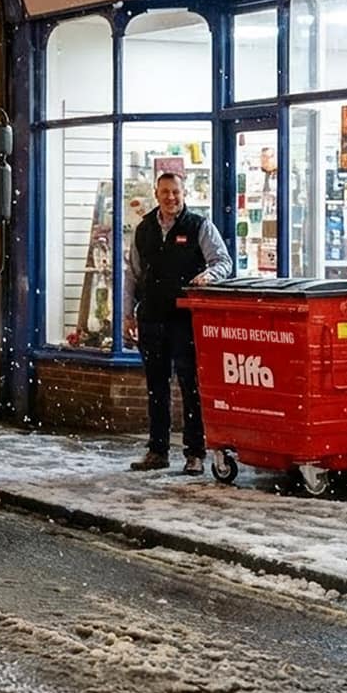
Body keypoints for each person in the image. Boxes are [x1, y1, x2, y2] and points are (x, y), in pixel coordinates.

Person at [124, 171, 232, 474]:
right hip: (151, 318)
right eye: (165, 192)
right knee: (156, 388)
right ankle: (157, 451)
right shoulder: (144, 229)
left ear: (184, 194)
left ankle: (194, 453)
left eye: (176, 193)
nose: (171, 198)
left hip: (185, 319)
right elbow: (132, 273)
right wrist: (128, 314)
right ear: (156, 194)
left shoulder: (198, 226)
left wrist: (207, 276)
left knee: (190, 387)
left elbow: (223, 261)